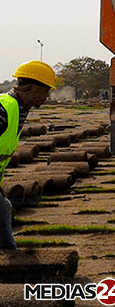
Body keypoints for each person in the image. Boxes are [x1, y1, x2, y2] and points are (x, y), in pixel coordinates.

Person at [1, 61, 56, 249]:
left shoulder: (19, 109)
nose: (47, 96)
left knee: (3, 207)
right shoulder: (5, 108)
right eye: (45, 90)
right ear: (31, 87)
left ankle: (9, 253)